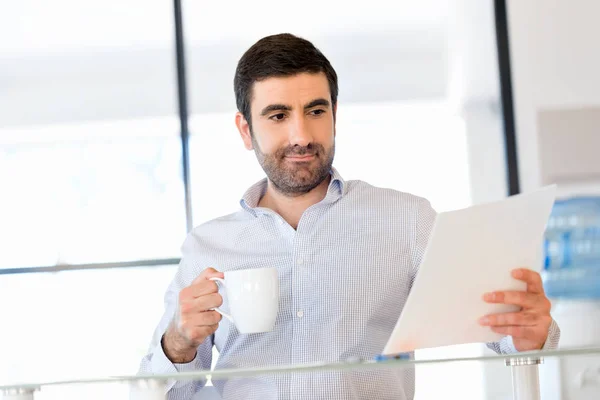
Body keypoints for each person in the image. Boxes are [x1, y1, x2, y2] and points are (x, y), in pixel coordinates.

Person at [139, 33, 560, 400]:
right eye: (278, 115)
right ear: (246, 130)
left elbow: (504, 330)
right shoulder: (207, 248)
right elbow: (158, 392)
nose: (301, 135)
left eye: (316, 111)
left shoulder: (406, 220)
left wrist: (530, 329)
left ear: (335, 115)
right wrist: (177, 342)